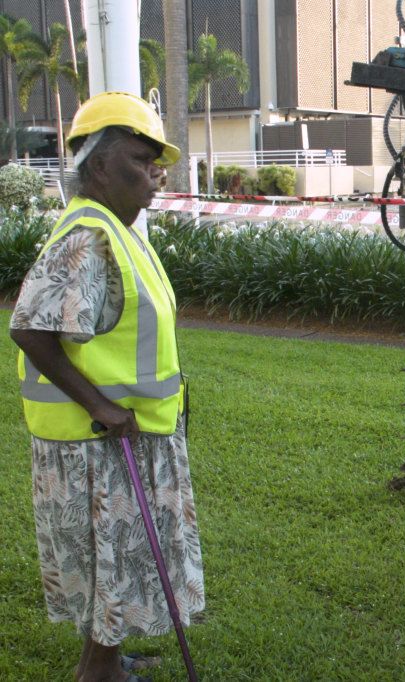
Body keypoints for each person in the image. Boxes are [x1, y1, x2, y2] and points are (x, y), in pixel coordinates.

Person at [9, 92, 203, 682]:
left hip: (125, 434)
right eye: (141, 161)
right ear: (98, 166)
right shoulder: (86, 237)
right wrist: (98, 405)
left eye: (155, 163)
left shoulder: (117, 229)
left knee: (117, 560)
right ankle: (99, 673)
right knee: (108, 560)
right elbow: (31, 329)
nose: (154, 176)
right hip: (98, 442)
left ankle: (108, 655)